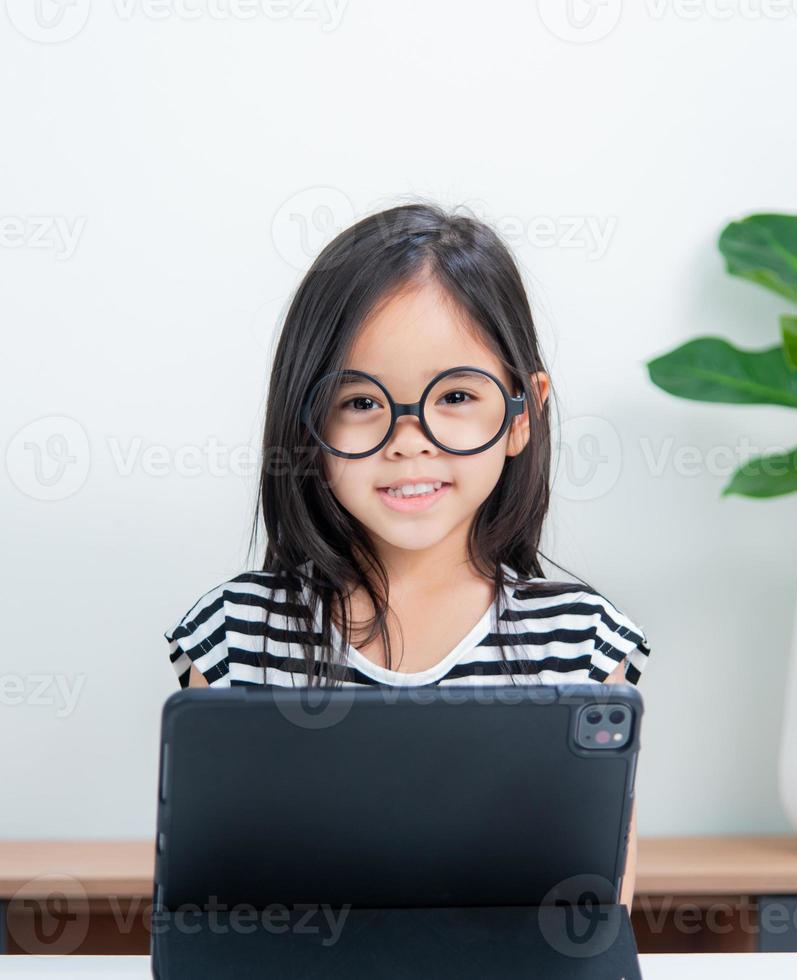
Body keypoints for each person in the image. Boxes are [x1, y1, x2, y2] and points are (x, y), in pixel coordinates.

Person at [164, 202, 652, 906]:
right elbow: (210, 900)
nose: (409, 439)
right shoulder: (236, 636)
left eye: (455, 395)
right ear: (307, 425)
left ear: (522, 414)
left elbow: (597, 910)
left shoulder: (581, 644)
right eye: (361, 402)